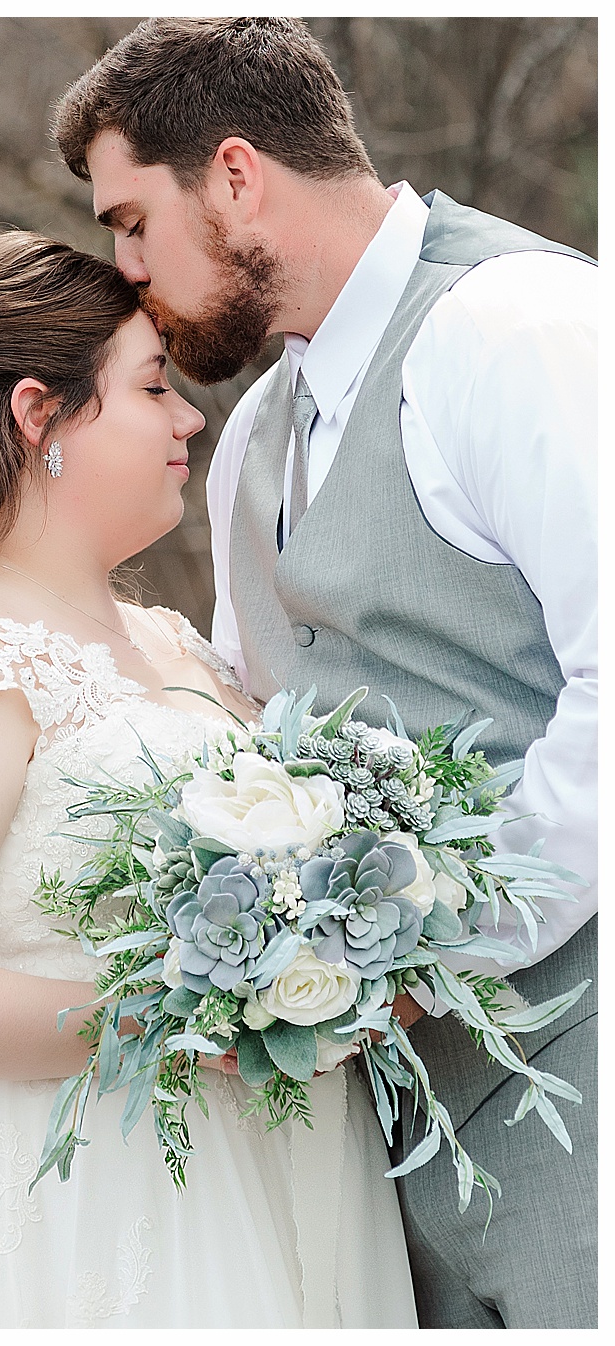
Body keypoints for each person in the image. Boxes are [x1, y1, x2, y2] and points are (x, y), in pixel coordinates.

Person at [0, 230, 417, 1327]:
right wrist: (180, 1016)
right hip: (80, 1199)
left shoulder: (176, 643)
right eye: (152, 387)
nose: (191, 418)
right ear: (38, 415)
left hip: (285, 1170)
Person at [57, 18, 596, 1328]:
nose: (128, 273)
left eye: (134, 222)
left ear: (237, 176)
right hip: (384, 1136)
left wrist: (426, 951)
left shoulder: (514, 329)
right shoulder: (252, 437)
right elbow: (254, 727)